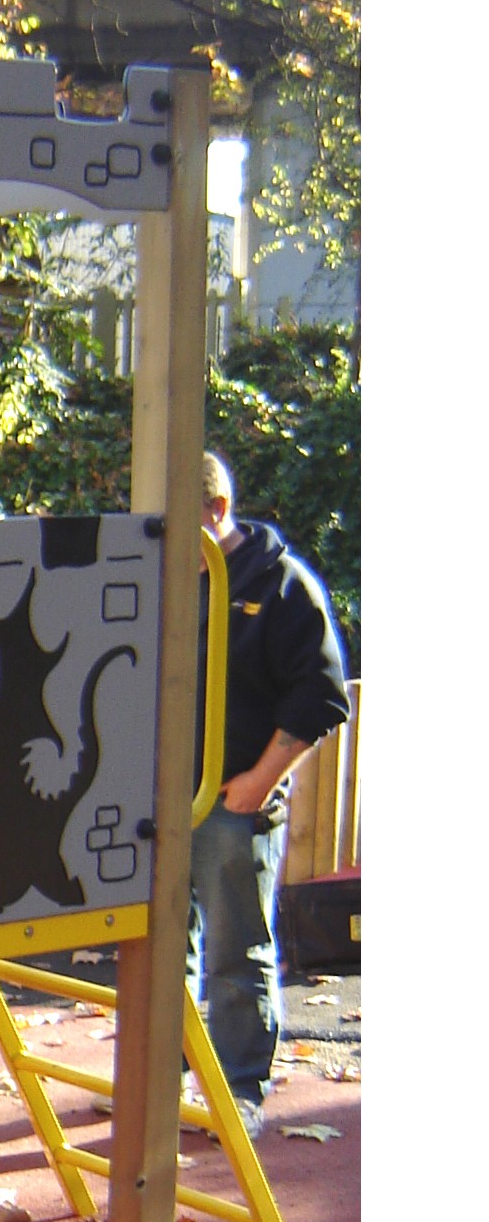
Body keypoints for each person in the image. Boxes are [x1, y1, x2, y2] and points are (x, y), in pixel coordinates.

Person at [191, 451, 350, 1135]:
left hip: (232, 798)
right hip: (161, 798)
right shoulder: (165, 579)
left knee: (236, 949)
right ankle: (159, 1070)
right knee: (162, 943)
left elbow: (320, 694)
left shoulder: (278, 583)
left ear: (215, 513)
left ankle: (237, 1089)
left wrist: (259, 780)